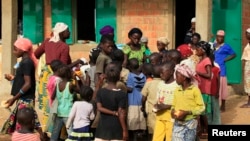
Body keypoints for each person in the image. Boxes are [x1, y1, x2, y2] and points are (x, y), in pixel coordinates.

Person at [34, 22, 84, 132]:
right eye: (67, 31)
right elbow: (64, 67)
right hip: (57, 76)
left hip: (46, 76)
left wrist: (48, 53)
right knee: (60, 103)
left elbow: (36, 54)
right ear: (61, 33)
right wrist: (77, 62)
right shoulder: (64, 46)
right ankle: (60, 133)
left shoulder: (47, 41)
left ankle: (47, 131)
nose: (69, 32)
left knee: (48, 104)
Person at [1, 38, 43, 139]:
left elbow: (28, 84)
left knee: (27, 121)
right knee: (29, 120)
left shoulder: (26, 63)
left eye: (15, 49)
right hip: (24, 97)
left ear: (23, 50)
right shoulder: (25, 61)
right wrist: (13, 78)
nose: (13, 51)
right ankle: (41, 136)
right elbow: (24, 79)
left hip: (26, 98)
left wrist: (14, 98)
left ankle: (33, 137)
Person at [94, 63, 128, 141]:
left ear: (106, 77)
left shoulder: (101, 92)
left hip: (102, 130)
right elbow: (121, 114)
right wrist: (125, 130)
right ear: (119, 77)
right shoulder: (122, 94)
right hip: (117, 130)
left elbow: (99, 108)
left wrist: (99, 83)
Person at [171, 64, 205, 141]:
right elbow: (173, 105)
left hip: (190, 122)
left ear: (184, 77)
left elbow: (202, 108)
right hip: (178, 123)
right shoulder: (177, 90)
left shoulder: (194, 90)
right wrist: (172, 111)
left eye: (177, 75)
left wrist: (187, 112)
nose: (175, 78)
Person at [50, 65, 80, 141]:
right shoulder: (70, 85)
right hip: (68, 113)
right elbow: (79, 90)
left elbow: (53, 97)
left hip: (59, 112)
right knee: (71, 133)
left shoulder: (58, 84)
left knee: (55, 133)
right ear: (69, 74)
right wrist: (75, 78)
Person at [152, 61, 179, 141]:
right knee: (157, 138)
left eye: (162, 73)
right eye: (160, 73)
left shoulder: (176, 85)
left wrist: (165, 106)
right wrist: (156, 106)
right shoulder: (160, 84)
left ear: (171, 72)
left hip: (171, 117)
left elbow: (178, 102)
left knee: (170, 137)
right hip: (160, 116)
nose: (161, 75)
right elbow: (158, 99)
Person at [214, 30, 236, 112]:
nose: (219, 38)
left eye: (221, 37)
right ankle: (215, 105)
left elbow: (234, 54)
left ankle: (223, 106)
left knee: (222, 88)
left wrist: (225, 59)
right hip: (213, 69)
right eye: (218, 36)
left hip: (221, 70)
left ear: (223, 38)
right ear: (216, 37)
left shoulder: (226, 46)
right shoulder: (213, 45)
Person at [195, 41, 213, 139]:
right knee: (201, 112)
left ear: (203, 50)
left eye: (197, 49)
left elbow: (209, 75)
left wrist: (198, 72)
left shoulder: (207, 60)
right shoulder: (201, 60)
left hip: (205, 90)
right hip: (200, 88)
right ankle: (202, 131)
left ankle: (206, 130)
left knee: (203, 113)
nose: (196, 51)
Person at [126, 58, 147, 140]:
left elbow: (130, 89)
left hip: (132, 101)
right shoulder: (143, 76)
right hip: (142, 101)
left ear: (129, 67)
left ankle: (134, 138)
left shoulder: (130, 75)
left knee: (133, 123)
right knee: (141, 122)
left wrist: (123, 85)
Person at [141, 64, 162, 139]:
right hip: (163, 110)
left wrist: (143, 107)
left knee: (152, 131)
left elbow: (143, 98)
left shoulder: (149, 83)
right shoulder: (164, 83)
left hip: (151, 110)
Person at [209, 53, 221, 125]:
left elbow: (218, 81)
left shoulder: (216, 69)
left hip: (214, 93)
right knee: (209, 110)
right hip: (207, 93)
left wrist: (217, 92)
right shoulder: (205, 69)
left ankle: (217, 123)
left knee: (215, 109)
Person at [241, 28, 250, 108]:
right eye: (246, 34)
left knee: (248, 83)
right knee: (247, 83)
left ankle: (249, 103)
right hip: (247, 65)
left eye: (247, 33)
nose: (246, 35)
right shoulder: (248, 44)